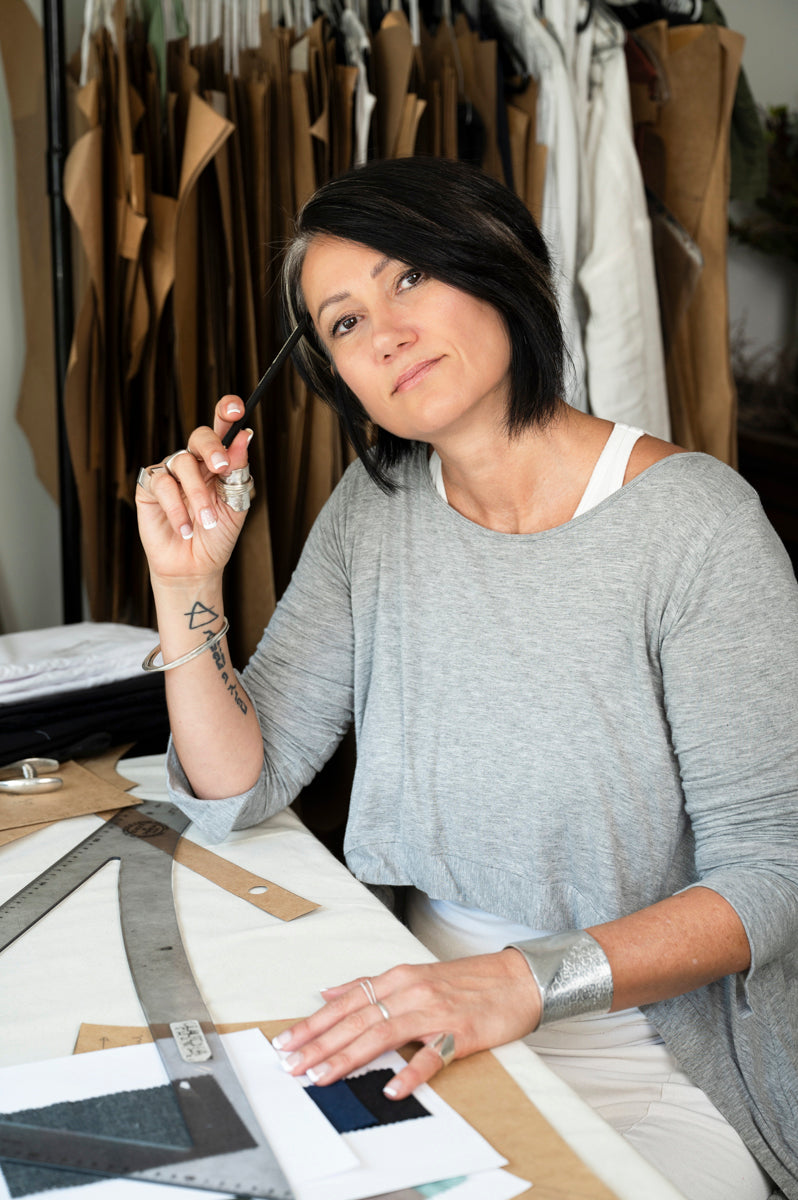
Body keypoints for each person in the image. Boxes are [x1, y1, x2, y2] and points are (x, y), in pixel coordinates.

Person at [136, 157, 798, 1200]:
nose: (385, 331)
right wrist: (187, 583)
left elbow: (773, 877)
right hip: (421, 1003)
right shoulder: (373, 507)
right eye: (344, 323)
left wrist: (519, 983)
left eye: (406, 279)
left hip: (649, 1048)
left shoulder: (698, 529)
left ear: (494, 261)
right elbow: (239, 784)